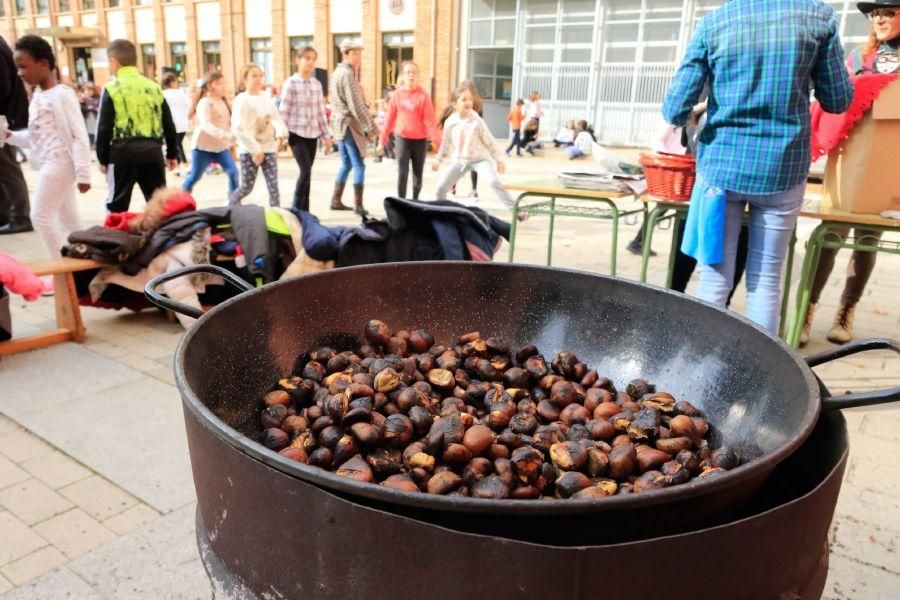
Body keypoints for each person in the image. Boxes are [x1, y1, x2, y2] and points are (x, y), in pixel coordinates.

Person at [662, 0, 853, 333]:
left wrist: (689, 117)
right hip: (784, 167)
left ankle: (704, 366)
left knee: (714, 280)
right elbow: (837, 99)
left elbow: (676, 106)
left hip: (722, 169)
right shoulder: (819, 18)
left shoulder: (715, 23)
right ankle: (764, 373)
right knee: (766, 282)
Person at [801, 0, 900, 346]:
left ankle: (846, 312)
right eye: (876, 14)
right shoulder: (858, 57)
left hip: (888, 168)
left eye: (889, 12)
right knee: (830, 236)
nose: (880, 19)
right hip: (848, 161)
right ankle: (806, 310)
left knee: (868, 240)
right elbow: (834, 98)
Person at [4, 36, 90, 260]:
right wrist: (10, 136)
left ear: (43, 64)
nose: (20, 73)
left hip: (59, 163)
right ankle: (88, 263)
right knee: (70, 220)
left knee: (40, 216)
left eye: (23, 67)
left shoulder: (62, 94)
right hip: (48, 163)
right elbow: (35, 137)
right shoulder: (38, 96)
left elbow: (79, 135)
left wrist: (83, 173)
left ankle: (61, 270)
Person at [96, 40, 178, 213]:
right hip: (152, 152)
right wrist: (172, 153)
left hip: (122, 154)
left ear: (113, 61)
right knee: (158, 206)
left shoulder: (112, 88)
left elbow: (104, 127)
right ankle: (161, 238)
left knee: (118, 206)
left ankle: (117, 237)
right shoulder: (154, 87)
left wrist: (103, 158)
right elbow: (168, 123)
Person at [432, 83, 515, 214]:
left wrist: (499, 160)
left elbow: (490, 141)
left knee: (493, 181)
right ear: (455, 104)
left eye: (470, 99)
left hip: (480, 160)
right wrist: (438, 160)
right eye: (464, 99)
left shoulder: (477, 120)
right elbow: (445, 143)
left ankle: (516, 210)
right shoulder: (450, 122)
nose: (468, 102)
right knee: (441, 188)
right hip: (460, 161)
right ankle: (441, 213)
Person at [329, 39, 378, 216]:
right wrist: (372, 128)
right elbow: (356, 105)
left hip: (338, 123)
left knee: (346, 163)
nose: (358, 57)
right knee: (358, 164)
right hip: (348, 124)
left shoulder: (336, 72)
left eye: (359, 53)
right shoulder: (347, 75)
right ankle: (358, 205)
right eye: (355, 53)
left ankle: (335, 199)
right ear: (346, 53)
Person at [280, 46, 332, 213]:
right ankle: (296, 209)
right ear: (298, 60)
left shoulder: (317, 84)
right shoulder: (291, 83)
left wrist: (326, 135)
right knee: (305, 170)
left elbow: (320, 111)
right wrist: (281, 135)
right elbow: (284, 111)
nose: (310, 62)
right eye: (307, 58)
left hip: (313, 135)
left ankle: (305, 211)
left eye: (313, 59)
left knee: (308, 173)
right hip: (296, 133)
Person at [379, 61, 440, 200]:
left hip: (420, 141)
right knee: (402, 173)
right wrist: (381, 141)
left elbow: (430, 120)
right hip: (403, 139)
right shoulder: (397, 95)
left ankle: (415, 200)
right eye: (408, 72)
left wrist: (438, 141)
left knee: (418, 175)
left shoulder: (424, 96)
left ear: (418, 76)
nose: (411, 75)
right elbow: (389, 119)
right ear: (403, 76)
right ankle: (401, 202)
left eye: (414, 72)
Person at [230, 64, 287, 207]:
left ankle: (276, 218)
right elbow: (238, 127)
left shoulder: (266, 96)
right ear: (245, 79)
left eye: (260, 75)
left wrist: (281, 134)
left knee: (274, 187)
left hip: (268, 148)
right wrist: (255, 149)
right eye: (254, 75)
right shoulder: (241, 100)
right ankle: (229, 208)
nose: (258, 79)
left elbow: (275, 118)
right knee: (246, 187)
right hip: (249, 150)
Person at [182, 71, 239, 197]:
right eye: (219, 83)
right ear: (209, 86)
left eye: (224, 83)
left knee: (233, 172)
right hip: (202, 148)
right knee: (195, 176)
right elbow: (205, 125)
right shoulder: (205, 102)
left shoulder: (223, 102)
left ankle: (234, 202)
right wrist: (225, 135)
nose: (223, 86)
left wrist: (232, 139)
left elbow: (227, 124)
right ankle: (182, 198)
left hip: (220, 148)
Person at [0, 35, 32, 234]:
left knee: (7, 169)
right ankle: (6, 215)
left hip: (3, 117)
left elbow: (2, 86)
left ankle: (20, 217)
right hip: (5, 115)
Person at [162, 72, 190, 176]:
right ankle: (183, 165)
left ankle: (179, 166)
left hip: (170, 125)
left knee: (176, 145)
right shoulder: (181, 93)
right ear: (173, 82)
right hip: (182, 123)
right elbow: (189, 105)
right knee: (178, 144)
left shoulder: (163, 94)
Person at [79, 82, 99, 149]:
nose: (89, 91)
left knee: (95, 130)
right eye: (87, 90)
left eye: (90, 90)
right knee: (89, 131)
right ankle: (92, 143)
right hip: (88, 118)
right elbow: (82, 109)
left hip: (95, 118)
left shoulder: (97, 98)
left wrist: (93, 109)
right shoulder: (84, 99)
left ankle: (96, 143)